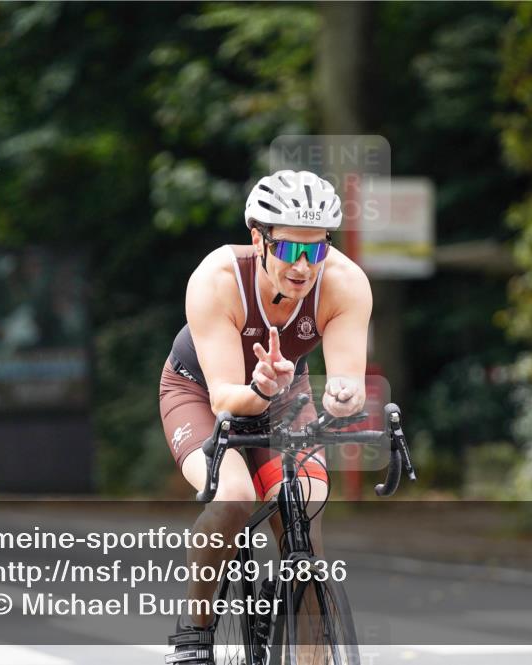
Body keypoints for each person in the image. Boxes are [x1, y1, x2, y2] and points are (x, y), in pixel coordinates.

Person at [159, 169, 372, 664]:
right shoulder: (216, 280)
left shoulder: (345, 285)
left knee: (308, 505)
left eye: (315, 250)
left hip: (285, 394)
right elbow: (227, 399)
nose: (303, 266)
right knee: (234, 497)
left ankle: (308, 651)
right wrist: (258, 386)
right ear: (258, 239)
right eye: (290, 250)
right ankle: (196, 629)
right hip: (202, 390)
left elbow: (348, 383)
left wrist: (343, 398)